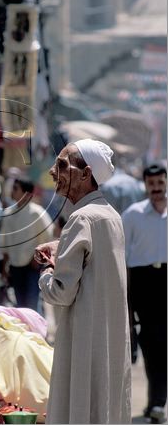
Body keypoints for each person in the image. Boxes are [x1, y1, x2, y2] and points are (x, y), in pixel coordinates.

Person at [35, 139, 131, 424]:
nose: (54, 171)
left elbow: (61, 293)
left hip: (84, 338)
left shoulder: (81, 219)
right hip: (108, 337)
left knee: (80, 407)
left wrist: (46, 274)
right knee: (105, 406)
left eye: (62, 165)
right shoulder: (110, 216)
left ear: (86, 174)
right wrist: (60, 248)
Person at [122, 163, 167, 424]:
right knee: (152, 344)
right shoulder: (133, 215)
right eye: (152, 184)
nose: (157, 188)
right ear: (145, 185)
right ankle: (158, 401)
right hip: (144, 285)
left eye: (160, 182)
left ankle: (156, 401)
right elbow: (124, 261)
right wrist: (127, 301)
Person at [0, 178, 53, 311]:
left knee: (32, 304)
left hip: (32, 266)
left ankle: (38, 331)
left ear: (27, 193)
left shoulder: (37, 213)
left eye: (16, 188)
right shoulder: (8, 214)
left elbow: (48, 238)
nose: (12, 191)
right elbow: (5, 242)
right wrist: (4, 266)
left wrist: (38, 259)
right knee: (20, 305)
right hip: (15, 266)